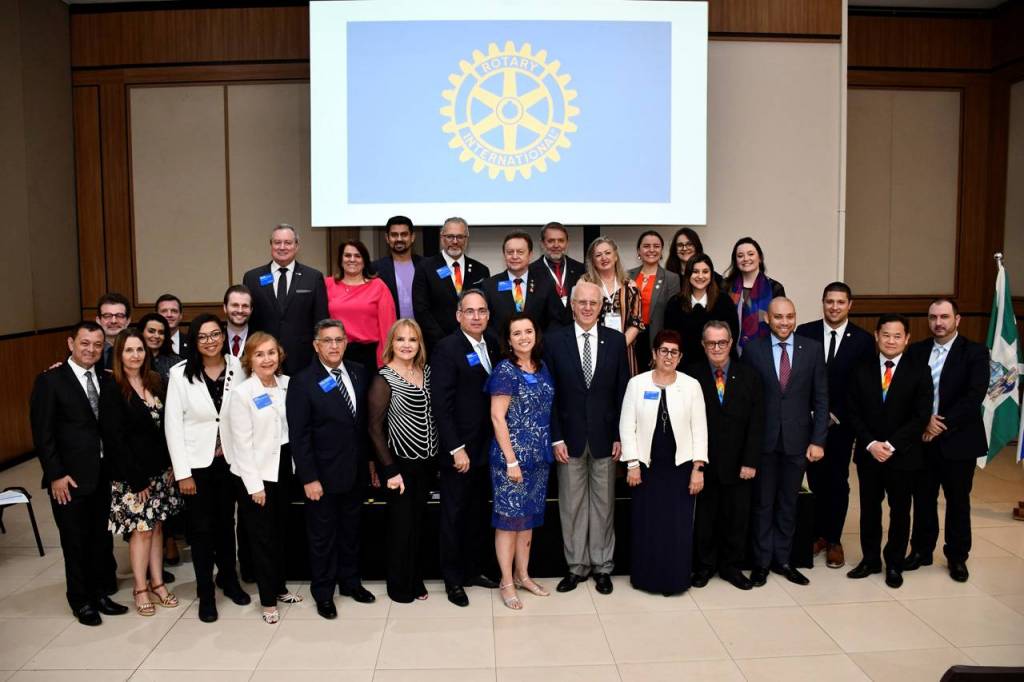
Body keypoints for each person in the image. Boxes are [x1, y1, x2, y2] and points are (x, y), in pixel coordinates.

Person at [30, 322, 128, 626]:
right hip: (68, 479)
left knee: (101, 540)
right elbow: (43, 434)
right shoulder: (50, 380)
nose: (91, 350)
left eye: (97, 345)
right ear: (71, 343)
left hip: (102, 475)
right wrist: (56, 474)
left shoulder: (107, 378)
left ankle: (100, 594)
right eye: (85, 343)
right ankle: (80, 600)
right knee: (75, 542)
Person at [544, 281, 630, 595]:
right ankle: (576, 567)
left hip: (606, 438)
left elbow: (623, 392)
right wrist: (556, 438)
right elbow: (549, 395)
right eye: (582, 302)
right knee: (572, 506)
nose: (588, 308)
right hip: (568, 439)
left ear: (601, 306)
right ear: (572, 305)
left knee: (604, 506)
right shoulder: (554, 341)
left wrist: (621, 435)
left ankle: (603, 567)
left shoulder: (616, 341)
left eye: (594, 303)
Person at [287, 319, 376, 619]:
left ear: (346, 342)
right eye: (327, 341)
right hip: (321, 477)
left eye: (339, 340)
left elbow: (362, 424)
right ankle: (323, 593)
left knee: (352, 532)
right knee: (322, 537)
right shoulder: (302, 381)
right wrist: (309, 478)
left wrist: (370, 462)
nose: (334, 346)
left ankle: (351, 583)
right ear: (316, 345)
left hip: (355, 471)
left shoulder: (359, 372)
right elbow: (299, 436)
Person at [165, 313, 251, 622]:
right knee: (201, 531)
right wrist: (183, 473)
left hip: (229, 462)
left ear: (223, 336)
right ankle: (206, 592)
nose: (210, 341)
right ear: (194, 340)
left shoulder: (239, 367)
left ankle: (229, 579)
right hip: (196, 466)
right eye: (203, 336)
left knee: (227, 525)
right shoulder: (179, 374)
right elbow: (173, 426)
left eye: (215, 334)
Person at [742, 297, 827, 587]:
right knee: (763, 504)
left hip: (798, 442)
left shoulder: (812, 349)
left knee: (789, 504)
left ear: (795, 317)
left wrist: (818, 440)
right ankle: (761, 563)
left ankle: (784, 561)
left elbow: (821, 398)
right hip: (763, 442)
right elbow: (747, 400)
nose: (784, 322)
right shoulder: (752, 350)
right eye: (778, 317)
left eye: (789, 316)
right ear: (768, 319)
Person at [905, 299, 989, 582]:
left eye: (944, 317)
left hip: (959, 440)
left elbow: (974, 396)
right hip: (922, 439)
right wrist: (924, 421)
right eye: (933, 317)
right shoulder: (916, 351)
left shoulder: (975, 352)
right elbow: (908, 391)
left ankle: (957, 556)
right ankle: (921, 551)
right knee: (923, 499)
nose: (938, 323)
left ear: (957, 319)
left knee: (958, 501)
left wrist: (939, 424)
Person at [846, 314, 933, 589]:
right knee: (869, 510)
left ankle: (894, 563)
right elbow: (852, 411)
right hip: (869, 453)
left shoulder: (919, 370)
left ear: (907, 339)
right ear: (876, 336)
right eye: (886, 335)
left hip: (903, 455)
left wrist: (892, 445)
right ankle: (870, 559)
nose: (891, 341)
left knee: (900, 511)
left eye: (897, 336)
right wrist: (871, 444)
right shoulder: (861, 369)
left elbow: (921, 416)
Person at [224, 332, 303, 625]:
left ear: (279, 355)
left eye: (271, 352)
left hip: (282, 467)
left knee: (280, 533)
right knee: (262, 539)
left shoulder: (287, 384)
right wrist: (254, 486)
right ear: (249, 360)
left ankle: (279, 587)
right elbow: (241, 445)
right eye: (259, 354)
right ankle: (268, 601)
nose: (267, 359)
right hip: (255, 474)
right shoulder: (242, 393)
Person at [101, 329, 182, 616]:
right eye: (129, 350)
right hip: (133, 477)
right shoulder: (112, 387)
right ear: (119, 354)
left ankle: (158, 582)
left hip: (160, 472)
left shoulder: (155, 381)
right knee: (142, 531)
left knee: (157, 527)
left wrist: (172, 464)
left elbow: (167, 427)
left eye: (139, 350)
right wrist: (136, 480)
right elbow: (115, 440)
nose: (135, 355)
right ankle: (140, 588)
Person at [620, 330, 707, 596]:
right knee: (648, 524)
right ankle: (646, 579)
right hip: (646, 468)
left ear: (680, 357)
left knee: (677, 526)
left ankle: (674, 580)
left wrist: (698, 469)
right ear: (654, 353)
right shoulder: (637, 384)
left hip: (680, 468)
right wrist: (632, 464)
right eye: (664, 351)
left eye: (674, 352)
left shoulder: (691, 386)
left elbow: (700, 429)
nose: (668, 356)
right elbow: (627, 426)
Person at [430, 289, 502, 607]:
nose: (476, 317)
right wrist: (455, 448)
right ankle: (453, 579)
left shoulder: (493, 343)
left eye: (481, 311)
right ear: (459, 315)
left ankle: (474, 570)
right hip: (460, 450)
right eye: (469, 311)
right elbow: (441, 405)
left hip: (487, 448)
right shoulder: (447, 348)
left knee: (477, 512)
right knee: (454, 515)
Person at [795, 282, 875, 569]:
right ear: (823, 302)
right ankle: (816, 534)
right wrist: (814, 412)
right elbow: (798, 377)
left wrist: (835, 414)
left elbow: (863, 385)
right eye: (830, 301)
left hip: (842, 424)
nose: (834, 307)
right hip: (807, 421)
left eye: (841, 302)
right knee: (813, 479)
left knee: (837, 482)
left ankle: (833, 539)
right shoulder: (805, 332)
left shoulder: (863, 340)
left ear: (850, 305)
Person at [685, 321, 764, 591]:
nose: (717, 348)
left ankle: (731, 567)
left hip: (739, 463)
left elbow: (756, 423)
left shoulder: (749, 376)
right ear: (703, 345)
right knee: (705, 518)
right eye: (711, 343)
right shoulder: (690, 376)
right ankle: (704, 566)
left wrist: (750, 461)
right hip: (703, 462)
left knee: (736, 518)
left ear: (731, 343)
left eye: (722, 342)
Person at [487, 313, 555, 610]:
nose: (524, 337)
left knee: (527, 519)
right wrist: (511, 461)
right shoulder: (505, 370)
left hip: (539, 458)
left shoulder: (542, 367)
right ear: (509, 340)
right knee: (509, 521)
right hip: (511, 459)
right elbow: (497, 417)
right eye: (517, 333)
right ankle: (506, 581)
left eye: (528, 331)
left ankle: (523, 575)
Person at [368, 319, 438, 603]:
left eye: (412, 339)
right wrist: (389, 470)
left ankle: (415, 578)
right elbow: (374, 428)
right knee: (401, 527)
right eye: (400, 339)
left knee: (420, 524)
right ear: (391, 344)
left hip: (427, 463)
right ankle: (398, 586)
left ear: (419, 343)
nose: (407, 345)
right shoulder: (383, 378)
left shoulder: (427, 372)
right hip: (400, 464)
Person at [242, 223, 329, 375]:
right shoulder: (252, 278)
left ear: (296, 246)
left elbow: (321, 321)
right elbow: (248, 321)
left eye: (288, 242)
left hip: (303, 359)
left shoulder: (313, 277)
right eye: (277, 242)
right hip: (264, 359)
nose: (282, 247)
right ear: (271, 245)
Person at [413, 217, 490, 351]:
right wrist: (444, 341)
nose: (455, 241)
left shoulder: (481, 270)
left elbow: (484, 309)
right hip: (437, 345)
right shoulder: (425, 267)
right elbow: (421, 310)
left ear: (466, 239)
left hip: (473, 344)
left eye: (460, 237)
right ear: (442, 237)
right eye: (450, 237)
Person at [325, 239, 397, 368]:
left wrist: (385, 362)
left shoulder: (378, 286)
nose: (352, 259)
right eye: (347, 255)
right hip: (334, 353)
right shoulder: (328, 284)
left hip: (368, 356)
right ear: (341, 260)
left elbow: (387, 327)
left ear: (365, 260)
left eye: (357, 256)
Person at [482, 231, 567, 336]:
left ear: (530, 255)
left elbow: (556, 320)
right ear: (504, 255)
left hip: (539, 345)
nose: (514, 256)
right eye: (510, 252)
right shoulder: (490, 286)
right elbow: (486, 323)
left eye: (520, 252)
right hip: (501, 345)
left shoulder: (545, 284)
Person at [581, 237, 644, 375]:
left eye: (608, 253)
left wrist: (618, 346)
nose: (604, 258)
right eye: (598, 255)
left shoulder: (630, 285)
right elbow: (578, 317)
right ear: (593, 260)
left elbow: (636, 322)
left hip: (624, 349)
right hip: (592, 349)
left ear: (615, 256)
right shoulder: (584, 283)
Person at [663, 254, 738, 365]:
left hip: (717, 366)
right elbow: (670, 339)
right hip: (684, 366)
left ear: (711, 274)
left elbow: (733, 335)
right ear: (688, 274)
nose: (700, 276)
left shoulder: (724, 301)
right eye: (695, 271)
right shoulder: (675, 303)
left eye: (705, 272)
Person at [627, 230, 681, 371]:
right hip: (630, 338)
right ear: (638, 251)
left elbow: (673, 318)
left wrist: (661, 347)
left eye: (656, 246)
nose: (651, 250)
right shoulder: (626, 276)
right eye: (646, 246)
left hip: (656, 339)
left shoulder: (671, 278)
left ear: (662, 250)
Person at [723, 237, 785, 353]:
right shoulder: (725, 287)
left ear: (760, 258)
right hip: (730, 351)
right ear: (735, 261)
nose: (746, 259)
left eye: (750, 254)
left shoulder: (775, 288)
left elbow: (781, 322)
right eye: (740, 256)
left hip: (765, 351)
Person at [372, 216, 422, 320]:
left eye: (404, 234)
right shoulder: (375, 268)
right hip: (390, 328)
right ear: (387, 238)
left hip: (422, 329)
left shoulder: (426, 265)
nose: (399, 239)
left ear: (412, 237)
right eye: (394, 235)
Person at [529, 221, 584, 309]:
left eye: (561, 241)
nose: (556, 245)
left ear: (567, 243)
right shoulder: (530, 271)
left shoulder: (581, 269)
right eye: (551, 241)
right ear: (542, 244)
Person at [137, 313, 181, 384]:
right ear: (141, 332)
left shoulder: (176, 362)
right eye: (151, 331)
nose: (157, 336)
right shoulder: (133, 358)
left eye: (161, 332)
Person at [95, 292, 132, 371]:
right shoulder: (89, 349)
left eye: (119, 316)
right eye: (107, 316)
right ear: (98, 320)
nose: (113, 321)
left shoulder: (139, 349)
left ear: (128, 321)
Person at [223, 285, 253, 358]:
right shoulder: (216, 339)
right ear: (225, 308)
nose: (240, 310)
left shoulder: (260, 340)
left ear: (251, 310)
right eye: (235, 305)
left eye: (245, 306)